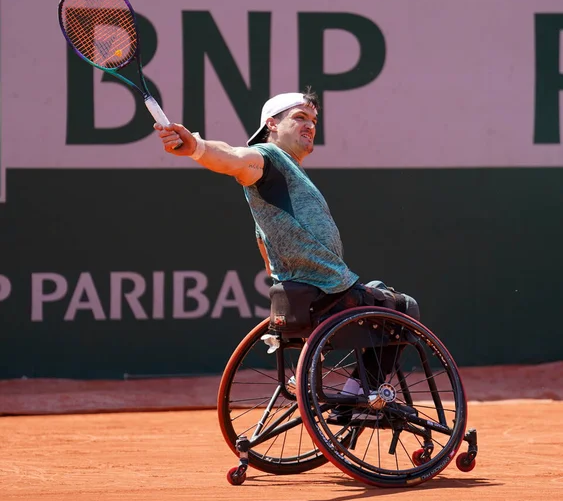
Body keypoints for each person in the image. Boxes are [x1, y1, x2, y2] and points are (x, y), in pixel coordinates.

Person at [154, 88, 420, 422]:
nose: (310, 126)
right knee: (404, 307)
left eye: (313, 120)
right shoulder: (266, 157)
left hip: (307, 298)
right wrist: (196, 147)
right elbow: (233, 157)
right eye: (299, 118)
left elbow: (265, 249)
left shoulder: (285, 180)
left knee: (380, 290)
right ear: (272, 124)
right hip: (327, 295)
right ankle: (359, 399)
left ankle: (338, 389)